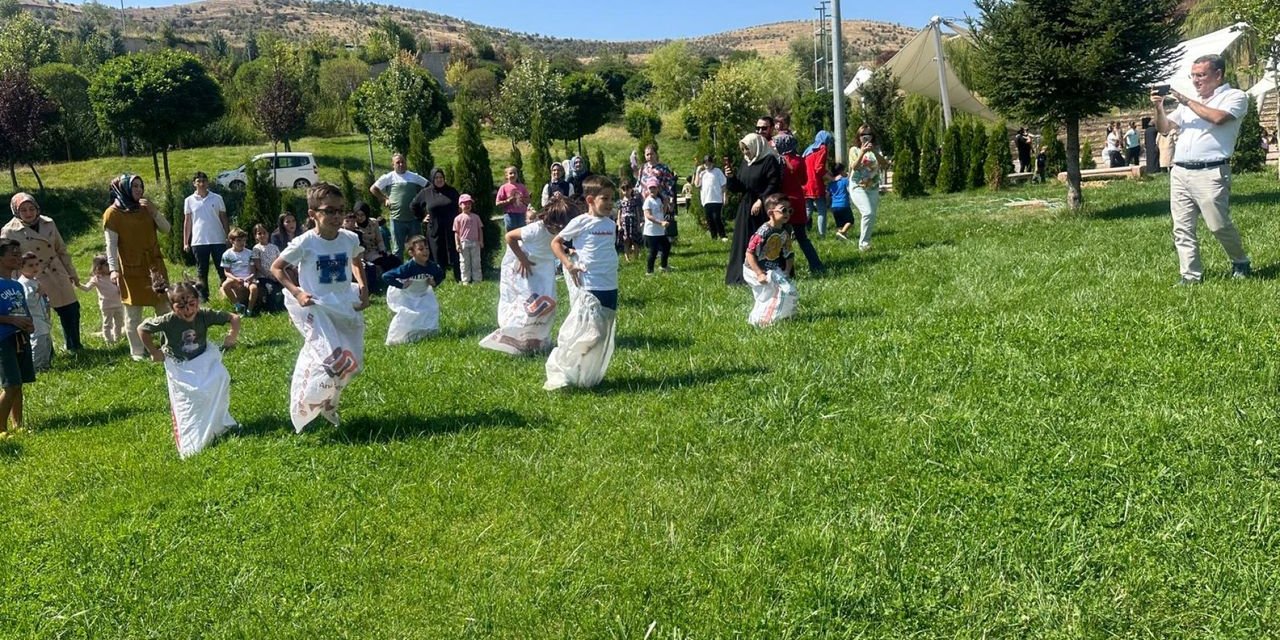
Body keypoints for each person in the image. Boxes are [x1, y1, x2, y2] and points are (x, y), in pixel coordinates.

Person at [271, 183, 370, 431]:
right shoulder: (305, 243)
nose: (336, 217)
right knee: (332, 360)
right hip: (317, 308)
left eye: (340, 211)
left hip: (343, 305)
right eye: (329, 211)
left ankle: (327, 403)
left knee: (351, 362)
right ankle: (304, 406)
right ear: (313, 213)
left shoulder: (350, 238)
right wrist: (297, 292)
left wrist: (363, 287)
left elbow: (356, 260)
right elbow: (277, 267)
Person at [1153, 53, 1252, 285]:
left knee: (1218, 224)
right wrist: (1159, 107)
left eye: (1201, 75)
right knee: (1182, 228)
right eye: (1193, 76)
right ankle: (1190, 275)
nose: (1196, 81)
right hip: (1180, 172)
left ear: (1218, 75)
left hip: (1211, 172)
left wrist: (1186, 100)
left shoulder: (1234, 96)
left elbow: (1218, 118)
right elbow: (1165, 128)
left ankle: (1240, 260)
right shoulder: (1188, 105)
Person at [139, 280, 240, 459]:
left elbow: (234, 317)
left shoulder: (204, 315)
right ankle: (191, 435)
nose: (188, 311)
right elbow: (142, 329)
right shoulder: (168, 320)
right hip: (179, 363)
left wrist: (232, 336)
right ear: (172, 307)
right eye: (181, 307)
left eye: (192, 304)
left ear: (197, 302)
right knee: (192, 396)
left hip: (201, 358)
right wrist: (154, 351)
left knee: (220, 378)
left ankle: (219, 423)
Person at [546, 176, 619, 390]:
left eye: (611, 199)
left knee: (603, 333)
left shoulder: (610, 223)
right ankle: (566, 367)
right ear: (590, 199)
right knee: (590, 332)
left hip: (610, 283)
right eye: (604, 198)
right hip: (591, 284)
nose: (609, 203)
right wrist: (569, 264)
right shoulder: (580, 222)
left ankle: (587, 376)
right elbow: (556, 242)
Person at [479, 200, 573, 356]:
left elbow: (552, 244)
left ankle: (535, 339)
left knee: (548, 302)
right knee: (528, 305)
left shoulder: (558, 231)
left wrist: (568, 250)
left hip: (543, 267)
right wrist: (522, 258)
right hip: (524, 266)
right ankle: (512, 336)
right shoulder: (535, 229)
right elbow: (509, 237)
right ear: (553, 220)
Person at [2, 192, 81, 352]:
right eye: (23, 210)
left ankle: (74, 345)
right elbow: (6, 259)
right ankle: (45, 352)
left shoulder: (48, 223)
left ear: (37, 208)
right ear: (16, 211)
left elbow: (61, 249)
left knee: (71, 310)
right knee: (39, 318)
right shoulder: (9, 231)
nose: (29, 213)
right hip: (31, 277)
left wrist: (71, 272)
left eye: (32, 208)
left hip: (55, 272)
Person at [103, 174, 170, 361]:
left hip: (154, 266)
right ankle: (138, 352)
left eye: (140, 186)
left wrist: (155, 212)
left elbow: (166, 229)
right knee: (133, 314)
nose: (139, 190)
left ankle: (168, 345)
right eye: (134, 187)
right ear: (123, 189)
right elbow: (111, 245)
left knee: (164, 307)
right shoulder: (112, 214)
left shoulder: (146, 208)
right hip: (131, 269)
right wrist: (113, 269)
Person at [725, 132, 782, 286]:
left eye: (747, 149)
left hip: (763, 210)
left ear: (756, 146)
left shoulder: (769, 160)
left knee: (762, 243)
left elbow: (773, 184)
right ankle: (742, 276)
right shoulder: (746, 162)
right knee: (744, 241)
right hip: (746, 208)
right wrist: (730, 177)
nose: (745, 153)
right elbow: (740, 187)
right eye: (743, 150)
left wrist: (761, 200)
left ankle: (764, 274)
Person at [743, 194, 798, 328]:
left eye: (790, 210)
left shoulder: (785, 231)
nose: (787, 213)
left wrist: (786, 271)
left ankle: (776, 317)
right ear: (770, 213)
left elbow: (789, 254)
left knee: (781, 291)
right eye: (783, 210)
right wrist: (759, 273)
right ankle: (761, 321)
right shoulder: (764, 231)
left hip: (770, 270)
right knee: (767, 295)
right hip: (753, 270)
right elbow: (749, 253)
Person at [774, 133, 824, 276]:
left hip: (782, 202)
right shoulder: (799, 160)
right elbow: (803, 180)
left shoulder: (778, 162)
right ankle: (816, 265)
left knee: (783, 237)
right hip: (798, 201)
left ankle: (785, 269)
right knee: (802, 238)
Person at [381, 235, 446, 345]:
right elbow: (386, 276)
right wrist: (401, 285)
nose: (425, 251)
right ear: (412, 253)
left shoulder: (432, 266)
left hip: (423, 293)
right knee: (406, 315)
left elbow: (441, 274)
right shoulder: (407, 268)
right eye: (421, 249)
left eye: (427, 248)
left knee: (431, 309)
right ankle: (395, 340)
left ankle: (426, 333)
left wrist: (435, 282)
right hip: (406, 295)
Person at [0, 239, 34, 437]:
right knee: (10, 384)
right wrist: (11, 320)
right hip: (3, 339)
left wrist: (29, 322)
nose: (17, 257)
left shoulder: (17, 285)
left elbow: (23, 309)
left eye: (18, 252)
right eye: (12, 253)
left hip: (19, 338)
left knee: (18, 383)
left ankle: (18, 425)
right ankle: (1, 428)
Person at [369, 152, 429, 259]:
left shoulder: (414, 176)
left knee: (417, 247)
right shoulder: (388, 177)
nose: (401, 164)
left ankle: (417, 271)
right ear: (393, 165)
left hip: (414, 220)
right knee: (397, 250)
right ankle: (399, 274)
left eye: (403, 162)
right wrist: (384, 199)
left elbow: (428, 186)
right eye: (398, 162)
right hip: (397, 220)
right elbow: (373, 189)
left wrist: (423, 203)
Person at [182, 172, 229, 300]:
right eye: (198, 181)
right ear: (194, 184)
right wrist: (185, 242)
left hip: (218, 239)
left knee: (222, 269)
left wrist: (227, 236)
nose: (201, 183)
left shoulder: (217, 198)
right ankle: (203, 296)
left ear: (208, 183)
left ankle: (225, 294)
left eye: (204, 181)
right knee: (202, 271)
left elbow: (224, 218)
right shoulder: (189, 200)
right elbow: (187, 222)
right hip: (199, 241)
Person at [410, 168, 461, 283]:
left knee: (454, 252)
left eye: (441, 177)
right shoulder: (426, 192)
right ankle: (438, 278)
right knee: (437, 254)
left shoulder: (452, 191)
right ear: (432, 179)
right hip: (435, 229)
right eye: (436, 178)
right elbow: (413, 205)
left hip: (451, 228)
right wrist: (422, 217)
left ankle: (459, 277)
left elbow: (460, 205)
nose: (439, 180)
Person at [848, 124, 886, 252]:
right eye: (863, 135)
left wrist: (874, 151)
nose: (866, 137)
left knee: (872, 215)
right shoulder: (854, 150)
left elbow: (885, 164)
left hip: (873, 187)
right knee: (867, 212)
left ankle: (867, 242)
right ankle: (863, 244)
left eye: (869, 135)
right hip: (858, 186)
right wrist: (863, 152)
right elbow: (855, 166)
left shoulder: (877, 149)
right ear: (858, 137)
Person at [350, 201, 398, 295]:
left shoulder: (373, 222)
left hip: (376, 249)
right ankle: (386, 283)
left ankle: (396, 281)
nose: (360, 218)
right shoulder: (353, 226)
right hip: (365, 252)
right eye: (357, 215)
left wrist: (382, 250)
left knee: (395, 260)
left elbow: (379, 239)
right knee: (383, 262)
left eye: (362, 215)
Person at [77, 255, 124, 344]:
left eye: (109, 264)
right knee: (107, 325)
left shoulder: (114, 276)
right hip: (106, 306)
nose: (109, 267)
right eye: (106, 265)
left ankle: (117, 338)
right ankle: (108, 341)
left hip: (118, 304)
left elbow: (120, 288)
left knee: (119, 323)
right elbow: (87, 288)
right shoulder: (96, 279)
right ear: (99, 267)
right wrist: (77, 284)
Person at [18, 253, 51, 372]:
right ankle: (37, 367)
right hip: (34, 318)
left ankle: (45, 364)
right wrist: (38, 293)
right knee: (39, 342)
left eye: (37, 264)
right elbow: (28, 301)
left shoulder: (34, 280)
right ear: (21, 267)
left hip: (42, 316)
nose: (35, 268)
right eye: (30, 265)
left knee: (46, 341)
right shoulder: (23, 283)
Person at [219, 227, 258, 315]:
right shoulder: (227, 254)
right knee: (225, 285)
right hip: (234, 277)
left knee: (254, 288)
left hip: (248, 277)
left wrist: (249, 278)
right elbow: (227, 272)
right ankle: (238, 305)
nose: (242, 243)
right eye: (239, 240)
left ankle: (249, 309)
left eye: (244, 240)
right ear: (232, 241)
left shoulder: (249, 253)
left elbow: (253, 271)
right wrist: (236, 279)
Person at [801, 131, 832, 236]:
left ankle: (797, 231)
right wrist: (830, 176)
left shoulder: (808, 150)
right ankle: (822, 235)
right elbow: (819, 168)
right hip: (815, 183)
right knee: (822, 210)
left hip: (805, 183)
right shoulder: (822, 148)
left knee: (808, 209)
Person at [694, 155, 727, 241]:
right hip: (706, 200)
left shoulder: (717, 171)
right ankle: (714, 236)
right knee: (709, 219)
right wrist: (697, 172)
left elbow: (723, 185)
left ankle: (722, 235)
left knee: (717, 217)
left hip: (717, 199)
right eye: (706, 164)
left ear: (712, 163)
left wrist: (724, 196)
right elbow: (697, 184)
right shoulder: (702, 173)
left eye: (709, 163)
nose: (707, 165)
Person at [642, 177, 671, 275]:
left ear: (658, 188)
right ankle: (649, 271)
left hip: (660, 231)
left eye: (654, 188)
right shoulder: (648, 201)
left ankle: (663, 266)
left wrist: (666, 204)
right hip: (651, 232)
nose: (652, 190)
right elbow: (648, 216)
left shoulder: (659, 199)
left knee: (666, 246)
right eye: (650, 188)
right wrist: (661, 223)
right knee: (653, 252)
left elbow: (662, 212)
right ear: (648, 189)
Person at [250, 224, 282, 313]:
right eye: (259, 233)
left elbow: (279, 261)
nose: (263, 235)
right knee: (271, 288)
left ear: (268, 234)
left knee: (283, 286)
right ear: (255, 236)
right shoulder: (256, 248)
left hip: (275, 274)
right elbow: (258, 265)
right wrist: (268, 275)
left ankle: (282, 306)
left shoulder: (274, 247)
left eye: (264, 233)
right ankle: (271, 308)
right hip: (263, 276)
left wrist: (277, 274)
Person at [452, 194, 484, 284]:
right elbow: (456, 233)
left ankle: (477, 279)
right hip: (464, 243)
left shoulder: (476, 217)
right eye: (464, 203)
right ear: (460, 205)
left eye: (469, 203)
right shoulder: (457, 218)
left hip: (475, 242)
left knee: (476, 262)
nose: (467, 205)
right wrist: (457, 244)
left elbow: (480, 229)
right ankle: (465, 280)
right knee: (464, 262)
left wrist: (481, 241)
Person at [495, 166, 531, 231]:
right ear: (506, 176)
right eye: (511, 173)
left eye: (515, 173)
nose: (513, 175)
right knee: (511, 233)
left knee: (522, 233)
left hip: (522, 214)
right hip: (510, 215)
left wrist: (523, 199)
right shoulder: (504, 187)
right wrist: (508, 201)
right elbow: (497, 203)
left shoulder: (522, 187)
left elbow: (528, 200)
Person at [617, 177, 643, 261]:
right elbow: (619, 213)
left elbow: (637, 213)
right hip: (624, 222)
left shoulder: (634, 201)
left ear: (631, 189)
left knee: (635, 240)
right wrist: (619, 224)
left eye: (627, 188)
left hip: (633, 221)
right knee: (626, 240)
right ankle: (627, 257)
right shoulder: (621, 202)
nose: (626, 191)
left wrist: (639, 223)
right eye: (623, 189)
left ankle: (636, 256)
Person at [827, 163, 854, 240]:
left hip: (834, 206)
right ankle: (842, 232)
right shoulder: (845, 181)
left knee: (839, 223)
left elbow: (828, 195)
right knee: (850, 221)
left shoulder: (831, 183)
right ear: (841, 171)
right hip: (844, 204)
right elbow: (849, 190)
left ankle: (841, 237)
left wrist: (827, 204)